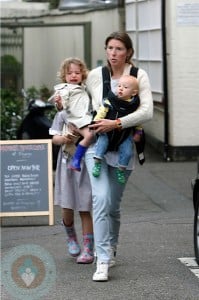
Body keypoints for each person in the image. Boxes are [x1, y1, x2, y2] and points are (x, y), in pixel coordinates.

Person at [84, 31, 153, 281]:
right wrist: (64, 108)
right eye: (110, 48)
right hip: (97, 147)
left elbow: (147, 111)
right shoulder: (95, 76)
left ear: (129, 53)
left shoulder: (138, 76)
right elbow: (83, 104)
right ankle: (101, 259)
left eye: (119, 49)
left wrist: (117, 124)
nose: (113, 53)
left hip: (123, 148)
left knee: (112, 205)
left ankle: (111, 248)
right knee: (100, 200)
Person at [49, 110, 94, 264]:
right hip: (66, 162)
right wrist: (62, 138)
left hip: (85, 163)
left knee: (85, 206)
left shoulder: (89, 112)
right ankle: (71, 237)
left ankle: (88, 248)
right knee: (67, 206)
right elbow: (54, 138)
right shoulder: (63, 114)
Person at [92, 74, 143, 184]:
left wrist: (138, 132)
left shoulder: (134, 105)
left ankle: (121, 169)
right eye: (119, 86)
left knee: (127, 150)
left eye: (125, 87)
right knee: (102, 142)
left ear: (133, 93)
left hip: (124, 134)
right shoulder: (110, 100)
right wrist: (96, 122)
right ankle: (97, 163)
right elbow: (101, 112)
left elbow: (137, 119)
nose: (120, 88)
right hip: (107, 131)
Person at [50, 57, 94, 171]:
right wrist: (59, 103)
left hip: (84, 121)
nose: (73, 76)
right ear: (64, 76)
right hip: (74, 121)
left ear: (82, 75)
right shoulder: (64, 89)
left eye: (77, 73)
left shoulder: (85, 90)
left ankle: (78, 159)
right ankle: (76, 160)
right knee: (89, 135)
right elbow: (61, 108)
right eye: (69, 73)